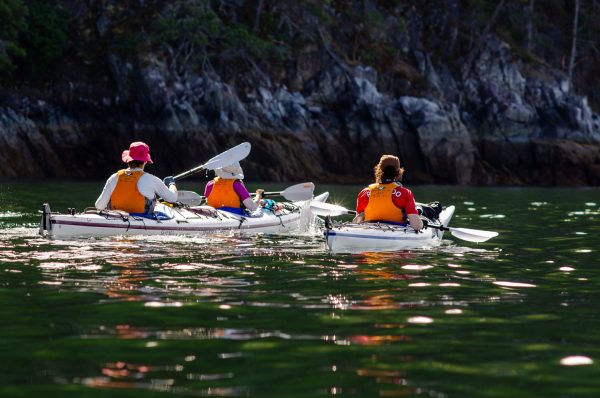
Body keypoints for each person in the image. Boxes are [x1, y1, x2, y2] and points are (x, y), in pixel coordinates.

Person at [95, 141, 178, 214]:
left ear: (128, 159)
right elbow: (172, 198)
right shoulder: (151, 179)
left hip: (117, 218)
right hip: (143, 219)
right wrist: (171, 183)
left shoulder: (114, 177)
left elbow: (99, 206)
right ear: (145, 161)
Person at [352, 154, 423, 231]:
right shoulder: (405, 193)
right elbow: (416, 226)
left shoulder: (364, 192)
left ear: (379, 170)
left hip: (370, 231)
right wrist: (423, 223)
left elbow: (357, 221)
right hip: (396, 232)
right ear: (398, 172)